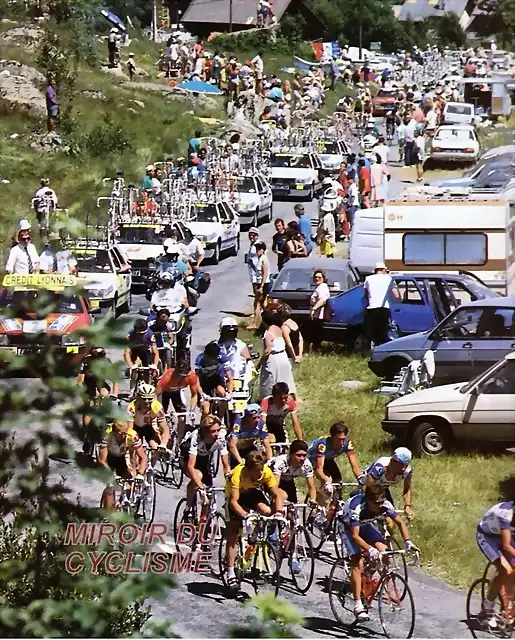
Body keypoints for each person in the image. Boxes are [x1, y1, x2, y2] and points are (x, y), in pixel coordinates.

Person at [339, 484, 418, 621]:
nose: (380, 505)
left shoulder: (385, 505)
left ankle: (369, 575)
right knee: (358, 562)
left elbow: (400, 523)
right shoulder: (357, 508)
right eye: (377, 503)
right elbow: (355, 536)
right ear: (368, 501)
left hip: (366, 524)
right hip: (347, 527)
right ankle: (358, 605)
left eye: (382, 501)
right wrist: (369, 549)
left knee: (385, 552)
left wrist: (408, 542)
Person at [224, 451, 284, 592]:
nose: (260, 474)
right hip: (236, 497)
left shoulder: (266, 472)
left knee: (267, 512)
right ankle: (231, 571)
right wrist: (245, 516)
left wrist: (279, 512)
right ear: (248, 470)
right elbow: (233, 502)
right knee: (234, 530)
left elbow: (277, 495)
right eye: (257, 472)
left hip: (252, 493)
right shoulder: (239, 473)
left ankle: (254, 537)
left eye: (261, 470)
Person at [476, 500, 515, 631]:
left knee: (513, 569)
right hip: (487, 536)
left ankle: (507, 606)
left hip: (505, 535)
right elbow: (507, 546)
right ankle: (487, 608)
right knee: (506, 570)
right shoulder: (506, 514)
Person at [184, 414, 231, 512]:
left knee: (209, 495)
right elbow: (190, 466)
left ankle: (204, 523)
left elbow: (226, 465)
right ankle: (187, 508)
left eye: (218, 430)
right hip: (186, 458)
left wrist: (229, 480)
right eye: (213, 431)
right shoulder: (197, 436)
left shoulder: (221, 438)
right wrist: (201, 488)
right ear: (205, 432)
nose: (216, 434)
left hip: (204, 459)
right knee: (198, 477)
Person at [97, 420, 147, 510]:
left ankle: (125, 504)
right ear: (114, 432)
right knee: (110, 486)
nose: (124, 436)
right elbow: (101, 460)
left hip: (122, 458)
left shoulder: (132, 435)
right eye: (120, 434)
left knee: (129, 481)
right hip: (109, 458)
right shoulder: (107, 435)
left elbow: (143, 457)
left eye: (125, 433)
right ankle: (107, 516)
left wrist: (140, 474)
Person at [308, 421, 361, 499]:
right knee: (328, 481)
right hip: (314, 459)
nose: (341, 442)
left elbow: (355, 466)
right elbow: (319, 469)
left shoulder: (347, 443)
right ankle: (318, 502)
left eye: (343, 439)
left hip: (328, 459)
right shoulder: (323, 445)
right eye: (338, 439)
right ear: (332, 437)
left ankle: (336, 503)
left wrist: (361, 479)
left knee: (338, 482)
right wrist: (327, 481)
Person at [358, 447, 414, 520]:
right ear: (393, 461)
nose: (403, 468)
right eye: (401, 465)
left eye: (406, 465)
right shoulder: (381, 466)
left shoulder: (407, 471)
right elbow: (366, 487)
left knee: (390, 520)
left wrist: (407, 506)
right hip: (368, 488)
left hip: (382, 489)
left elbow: (407, 489)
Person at [155, 358, 200, 443]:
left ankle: (179, 440)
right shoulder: (167, 378)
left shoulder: (192, 376)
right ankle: (162, 437)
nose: (180, 378)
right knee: (160, 416)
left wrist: (192, 410)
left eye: (183, 376)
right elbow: (155, 395)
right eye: (178, 376)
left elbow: (194, 394)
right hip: (164, 393)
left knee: (182, 417)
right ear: (175, 372)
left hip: (176, 392)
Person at [258, 309, 296, 400]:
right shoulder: (279, 329)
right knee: (285, 379)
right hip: (283, 357)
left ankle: (270, 400)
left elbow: (268, 350)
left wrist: (259, 364)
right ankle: (289, 398)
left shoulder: (268, 333)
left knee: (270, 381)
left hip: (273, 360)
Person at [127, 383, 169, 460]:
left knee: (155, 447)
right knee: (135, 453)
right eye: (144, 398)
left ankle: (151, 468)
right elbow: (130, 430)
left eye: (150, 399)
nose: (147, 401)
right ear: (138, 397)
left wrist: (163, 444)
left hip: (148, 427)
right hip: (135, 428)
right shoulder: (132, 407)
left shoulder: (157, 407)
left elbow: (165, 428)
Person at [364, 262, 401, 347]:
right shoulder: (389, 279)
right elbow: (397, 296)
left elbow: (366, 295)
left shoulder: (368, 278)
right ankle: (382, 349)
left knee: (372, 331)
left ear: (375, 270)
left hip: (371, 308)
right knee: (383, 331)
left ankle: (371, 348)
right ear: (384, 270)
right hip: (384, 308)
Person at [270, 439, 316, 504]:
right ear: (291, 454)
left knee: (293, 505)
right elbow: (275, 486)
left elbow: (312, 487)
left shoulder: (307, 464)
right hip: (270, 480)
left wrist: (312, 500)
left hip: (288, 480)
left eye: (304, 455)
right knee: (283, 496)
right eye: (298, 455)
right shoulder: (281, 462)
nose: (302, 458)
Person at [195, 341, 232, 418]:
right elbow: (197, 381)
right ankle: (206, 421)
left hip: (217, 379)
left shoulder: (222, 358)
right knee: (206, 408)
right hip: (204, 381)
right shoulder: (200, 359)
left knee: (222, 393)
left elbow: (230, 378)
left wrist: (229, 393)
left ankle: (220, 419)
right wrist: (202, 394)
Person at [124, 319, 160, 391]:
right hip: (134, 351)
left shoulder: (150, 335)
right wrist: (131, 366)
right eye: (139, 334)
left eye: (143, 334)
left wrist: (155, 365)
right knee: (134, 370)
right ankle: (132, 389)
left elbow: (155, 352)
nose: (142, 336)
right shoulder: (131, 336)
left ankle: (147, 388)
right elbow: (126, 353)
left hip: (145, 351)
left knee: (147, 371)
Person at [218, 317, 252, 382]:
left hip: (239, 379)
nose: (230, 334)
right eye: (228, 332)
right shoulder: (217, 346)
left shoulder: (241, 345)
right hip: (222, 380)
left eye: (232, 332)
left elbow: (249, 362)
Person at [248, 240, 270, 329]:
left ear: (263, 250)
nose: (258, 250)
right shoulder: (259, 258)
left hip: (262, 284)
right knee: (262, 304)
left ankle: (255, 324)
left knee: (256, 303)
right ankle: (268, 320)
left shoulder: (264, 259)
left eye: (260, 249)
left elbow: (265, 274)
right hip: (258, 282)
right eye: (257, 248)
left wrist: (261, 286)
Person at [306, 269, 330, 352]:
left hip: (319, 314)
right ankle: (315, 349)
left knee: (316, 333)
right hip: (317, 314)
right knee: (315, 333)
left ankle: (316, 349)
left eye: (319, 277)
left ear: (323, 278)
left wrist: (314, 309)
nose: (317, 279)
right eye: (315, 277)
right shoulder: (319, 287)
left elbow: (323, 299)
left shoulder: (322, 287)